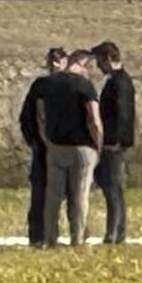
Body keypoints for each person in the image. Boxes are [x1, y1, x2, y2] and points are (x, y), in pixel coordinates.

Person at [39, 50, 103, 247]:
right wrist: (98, 145)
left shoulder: (48, 84)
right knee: (80, 195)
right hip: (82, 148)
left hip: (56, 146)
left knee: (54, 196)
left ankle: (50, 238)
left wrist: (46, 140)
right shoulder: (84, 86)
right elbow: (94, 120)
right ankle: (77, 238)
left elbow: (40, 115)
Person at [18, 48, 69, 246]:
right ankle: (37, 236)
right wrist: (34, 141)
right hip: (43, 150)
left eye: (58, 60)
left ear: (65, 62)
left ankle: (70, 234)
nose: (54, 64)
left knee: (69, 195)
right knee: (40, 193)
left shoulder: (70, 85)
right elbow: (27, 117)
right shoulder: (40, 86)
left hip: (65, 148)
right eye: (51, 60)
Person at [95, 41, 135, 245]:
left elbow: (122, 114)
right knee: (112, 186)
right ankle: (116, 231)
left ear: (109, 59)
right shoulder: (119, 80)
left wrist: (114, 141)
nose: (98, 66)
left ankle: (115, 233)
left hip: (114, 143)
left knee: (113, 188)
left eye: (100, 61)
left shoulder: (119, 82)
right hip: (116, 142)